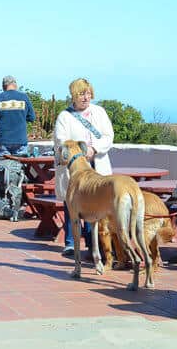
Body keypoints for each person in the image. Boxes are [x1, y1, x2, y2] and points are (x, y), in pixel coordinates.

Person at [54, 78, 114, 257]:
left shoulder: (99, 112)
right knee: (71, 202)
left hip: (97, 163)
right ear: (74, 95)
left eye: (88, 94)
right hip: (75, 167)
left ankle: (92, 241)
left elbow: (108, 136)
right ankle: (71, 242)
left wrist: (94, 148)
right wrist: (80, 152)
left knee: (93, 202)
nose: (86, 97)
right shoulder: (65, 116)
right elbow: (61, 140)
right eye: (82, 94)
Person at [0, 75, 36, 157]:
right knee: (19, 167)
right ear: (15, 85)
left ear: (3, 86)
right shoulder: (24, 97)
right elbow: (31, 117)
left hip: (2, 141)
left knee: (2, 168)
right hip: (20, 140)